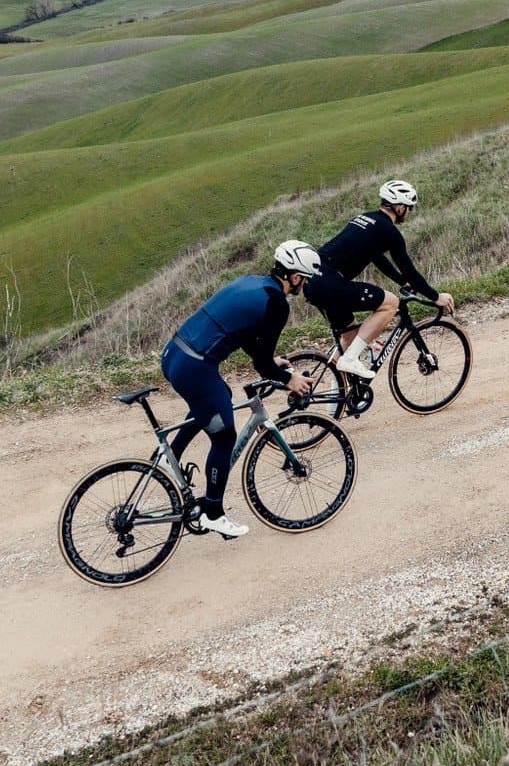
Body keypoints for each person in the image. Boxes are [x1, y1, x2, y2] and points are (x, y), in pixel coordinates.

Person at [161, 241, 318, 539]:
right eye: (305, 279)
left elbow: (244, 333)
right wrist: (289, 380)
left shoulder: (252, 282)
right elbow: (261, 365)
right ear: (296, 277)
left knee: (217, 400)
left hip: (174, 355)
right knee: (224, 437)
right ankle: (214, 514)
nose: (304, 285)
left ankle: (170, 453)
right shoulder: (278, 304)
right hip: (195, 367)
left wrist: (272, 361)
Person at [307, 179, 455, 380]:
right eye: (409, 208)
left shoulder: (365, 218)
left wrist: (401, 281)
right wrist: (435, 296)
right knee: (390, 303)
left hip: (312, 280)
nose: (409, 213)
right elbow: (410, 270)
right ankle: (349, 360)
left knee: (350, 338)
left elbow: (376, 257)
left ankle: (338, 400)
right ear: (400, 207)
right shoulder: (389, 231)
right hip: (331, 283)